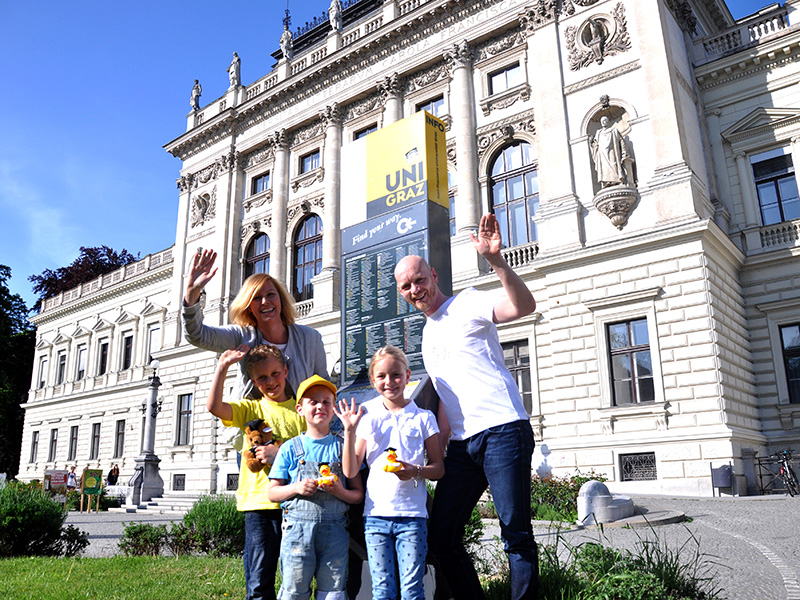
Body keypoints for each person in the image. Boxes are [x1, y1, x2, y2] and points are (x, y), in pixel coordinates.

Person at [393, 213, 539, 600]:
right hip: (463, 444)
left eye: (419, 280)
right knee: (441, 537)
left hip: (504, 428)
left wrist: (497, 261)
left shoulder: (469, 301)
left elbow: (523, 306)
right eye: (406, 286)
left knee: (515, 533)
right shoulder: (426, 334)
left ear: (434, 276)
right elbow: (444, 397)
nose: (415, 289)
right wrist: (435, 452)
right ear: (402, 292)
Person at [336, 345, 445, 600]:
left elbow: (438, 469)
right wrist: (350, 431)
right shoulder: (367, 417)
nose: (390, 382)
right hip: (375, 517)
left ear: (408, 376)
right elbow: (351, 469)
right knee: (382, 590)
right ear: (373, 381)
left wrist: (416, 470)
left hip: (412, 517)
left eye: (396, 375)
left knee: (412, 590)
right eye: (382, 376)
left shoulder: (423, 417)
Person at [208, 344, 307, 600]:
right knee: (259, 579)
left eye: (275, 373)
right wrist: (222, 368)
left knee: (295, 578)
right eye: (262, 377)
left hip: (295, 503)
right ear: (254, 381)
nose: (270, 381)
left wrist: (280, 455)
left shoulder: (301, 411)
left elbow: (311, 454)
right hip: (259, 505)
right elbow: (214, 407)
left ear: (285, 371)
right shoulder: (251, 409)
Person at [182, 248, 328, 401]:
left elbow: (323, 387)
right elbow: (197, 336)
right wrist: (192, 294)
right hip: (247, 423)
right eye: (257, 298)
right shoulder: (241, 336)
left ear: (281, 300)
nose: (265, 302)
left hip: (296, 423)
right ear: (248, 306)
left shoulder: (310, 338)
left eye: (271, 294)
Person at [268, 375, 364, 600]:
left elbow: (358, 494)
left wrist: (340, 492)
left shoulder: (343, 447)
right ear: (300, 409)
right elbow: (273, 493)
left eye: (326, 401)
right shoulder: (290, 449)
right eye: (313, 401)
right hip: (297, 535)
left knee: (333, 592)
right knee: (294, 591)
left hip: (335, 534)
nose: (320, 405)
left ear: (333, 410)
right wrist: (297, 488)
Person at [590, 115, 631, 187]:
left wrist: (624, 153)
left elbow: (621, 141)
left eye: (605, 120)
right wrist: (592, 143)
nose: (603, 122)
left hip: (612, 151)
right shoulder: (598, 133)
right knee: (604, 168)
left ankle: (616, 180)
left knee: (614, 164)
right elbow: (595, 145)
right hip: (602, 154)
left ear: (608, 122)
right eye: (601, 121)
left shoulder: (613, 131)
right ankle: (606, 182)